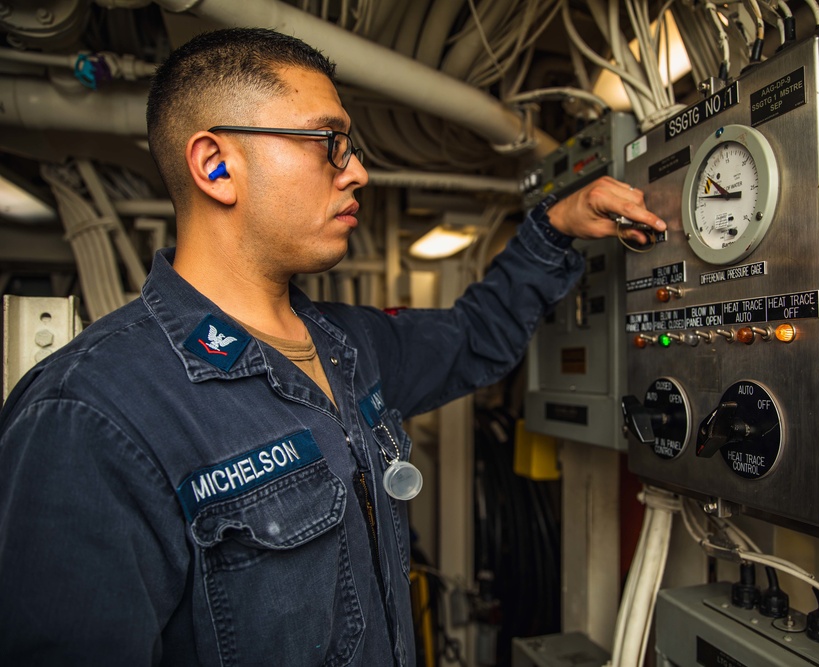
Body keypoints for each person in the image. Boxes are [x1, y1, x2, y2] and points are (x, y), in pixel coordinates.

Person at [0, 27, 664, 666]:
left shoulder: (352, 345)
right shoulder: (88, 415)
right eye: (330, 142)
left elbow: (474, 337)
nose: (359, 174)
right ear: (215, 164)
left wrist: (552, 228)